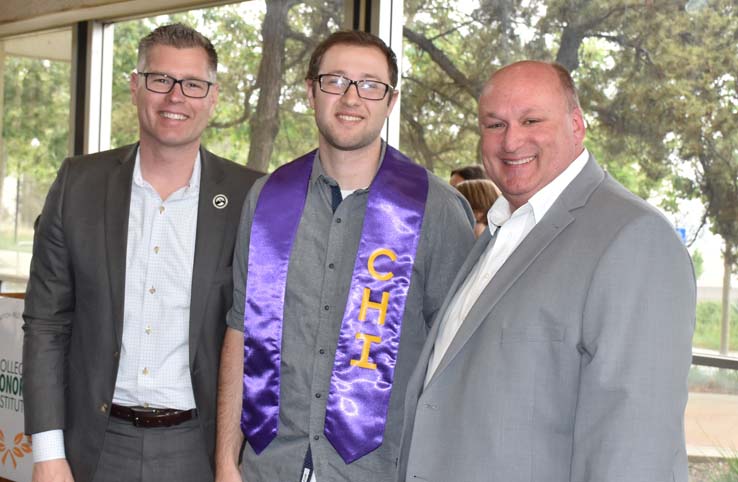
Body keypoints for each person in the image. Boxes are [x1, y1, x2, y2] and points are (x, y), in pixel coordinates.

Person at [398, 60, 695, 482]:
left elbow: (636, 449)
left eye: (532, 119)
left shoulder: (633, 238)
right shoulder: (501, 228)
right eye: (494, 124)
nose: (511, 140)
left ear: (577, 125)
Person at [215, 31, 474, 482]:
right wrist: (224, 463)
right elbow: (242, 332)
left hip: (381, 470)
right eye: (335, 80)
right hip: (269, 467)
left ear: (390, 101)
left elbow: (457, 358)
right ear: (311, 90)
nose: (351, 98)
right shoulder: (267, 199)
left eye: (370, 84)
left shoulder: (435, 208)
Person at [22, 23, 262, 482]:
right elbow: (47, 322)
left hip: (201, 450)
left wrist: (234, 459)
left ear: (212, 97)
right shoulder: (78, 184)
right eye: (160, 80)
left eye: (193, 84)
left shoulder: (248, 195)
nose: (176, 97)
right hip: (94, 445)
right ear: (136, 87)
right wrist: (47, 454)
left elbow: (260, 334)